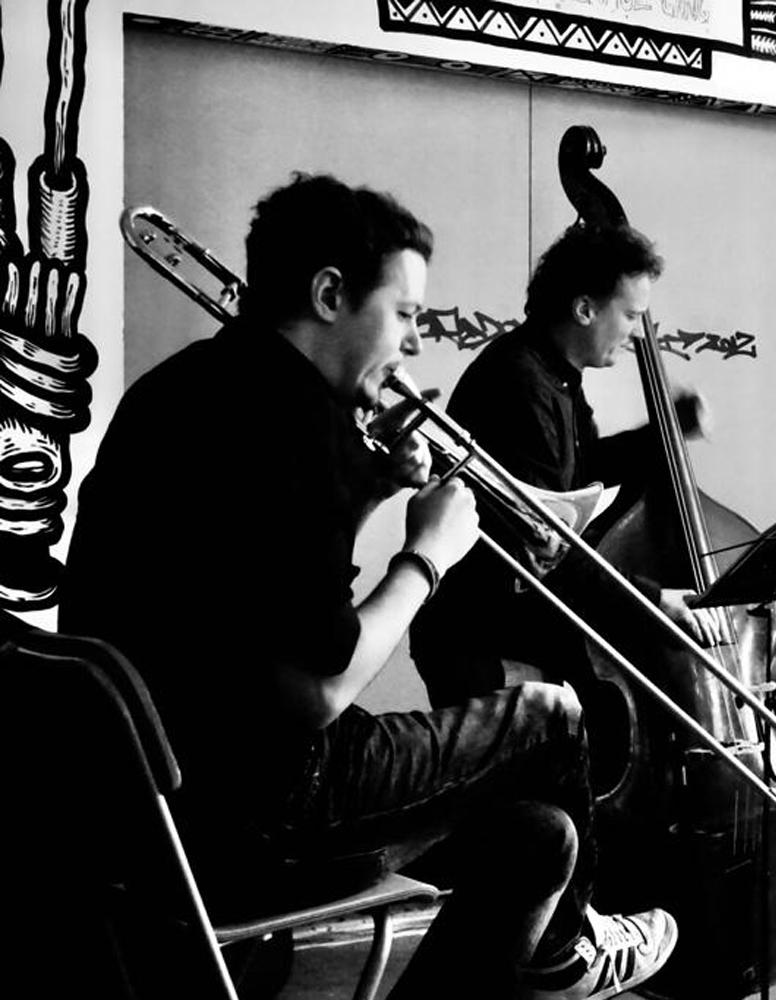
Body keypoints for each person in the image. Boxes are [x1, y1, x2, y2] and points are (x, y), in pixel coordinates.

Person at [61, 173, 677, 1000]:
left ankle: (556, 942)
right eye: (406, 315)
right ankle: (569, 951)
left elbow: (272, 605)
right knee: (555, 717)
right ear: (329, 295)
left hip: (148, 814)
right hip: (263, 811)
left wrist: (370, 490)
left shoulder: (180, 389)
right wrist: (428, 556)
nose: (415, 344)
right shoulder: (296, 423)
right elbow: (317, 691)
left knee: (538, 838)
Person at [410, 222, 725, 710]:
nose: (637, 332)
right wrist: (654, 600)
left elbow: (583, 469)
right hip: (481, 637)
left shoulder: (554, 374)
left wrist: (666, 432)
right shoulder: (520, 383)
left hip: (504, 626)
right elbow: (547, 540)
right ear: (584, 309)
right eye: (631, 315)